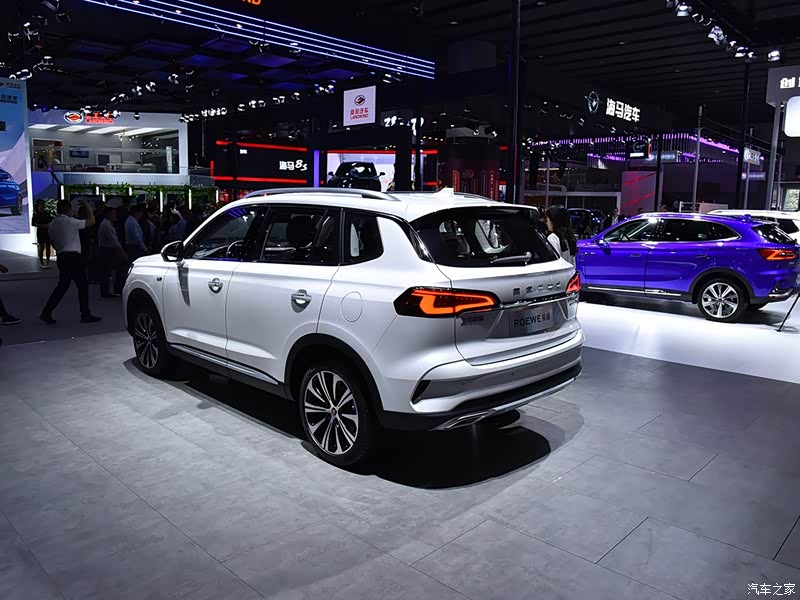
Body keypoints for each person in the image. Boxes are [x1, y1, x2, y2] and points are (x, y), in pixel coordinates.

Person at [40, 200, 101, 324]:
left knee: (63, 286)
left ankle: (47, 312)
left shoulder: (53, 224)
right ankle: (85, 314)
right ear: (67, 209)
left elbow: (52, 242)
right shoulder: (70, 222)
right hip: (73, 257)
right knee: (82, 285)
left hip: (62, 256)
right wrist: (88, 207)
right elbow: (91, 221)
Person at [97, 206, 128, 298]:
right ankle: (105, 292)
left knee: (107, 271)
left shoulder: (107, 224)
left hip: (107, 249)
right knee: (106, 271)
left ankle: (106, 291)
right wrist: (121, 251)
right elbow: (113, 240)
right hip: (106, 249)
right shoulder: (106, 225)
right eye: (113, 213)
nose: (115, 215)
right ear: (108, 214)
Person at [31, 200, 53, 268]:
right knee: (41, 247)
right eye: (41, 204)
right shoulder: (35, 213)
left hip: (47, 231)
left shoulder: (46, 213)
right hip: (40, 231)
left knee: (48, 247)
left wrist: (48, 225)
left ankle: (48, 262)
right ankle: (41, 262)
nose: (43, 205)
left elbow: (50, 220)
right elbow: (33, 223)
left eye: (43, 204)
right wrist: (42, 226)